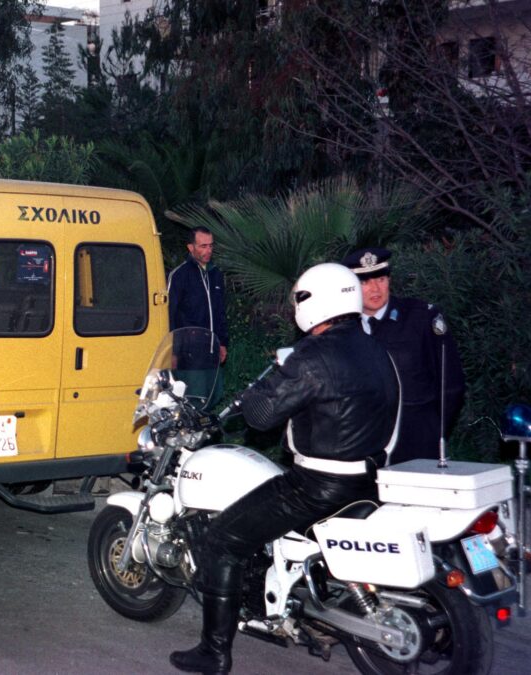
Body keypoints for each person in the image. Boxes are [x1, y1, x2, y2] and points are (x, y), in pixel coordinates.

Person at [169, 263, 399, 675]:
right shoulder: (373, 346)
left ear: (314, 301)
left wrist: (265, 383)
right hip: (368, 478)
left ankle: (213, 652)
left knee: (223, 539)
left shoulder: (312, 356)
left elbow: (259, 416)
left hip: (318, 484)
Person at [341, 247, 465, 463]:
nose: (375, 288)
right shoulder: (342, 328)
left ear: (389, 279)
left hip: (416, 440)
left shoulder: (421, 318)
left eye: (380, 278)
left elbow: (450, 384)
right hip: (362, 443)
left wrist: (436, 432)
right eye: (364, 282)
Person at [167, 227, 228, 407]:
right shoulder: (179, 275)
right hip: (189, 354)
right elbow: (169, 314)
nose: (208, 251)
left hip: (212, 351)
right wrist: (172, 352)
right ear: (191, 247)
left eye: (210, 246)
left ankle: (209, 435)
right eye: (203, 246)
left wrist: (223, 343)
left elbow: (220, 312)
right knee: (193, 401)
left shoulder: (215, 274)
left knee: (213, 397)